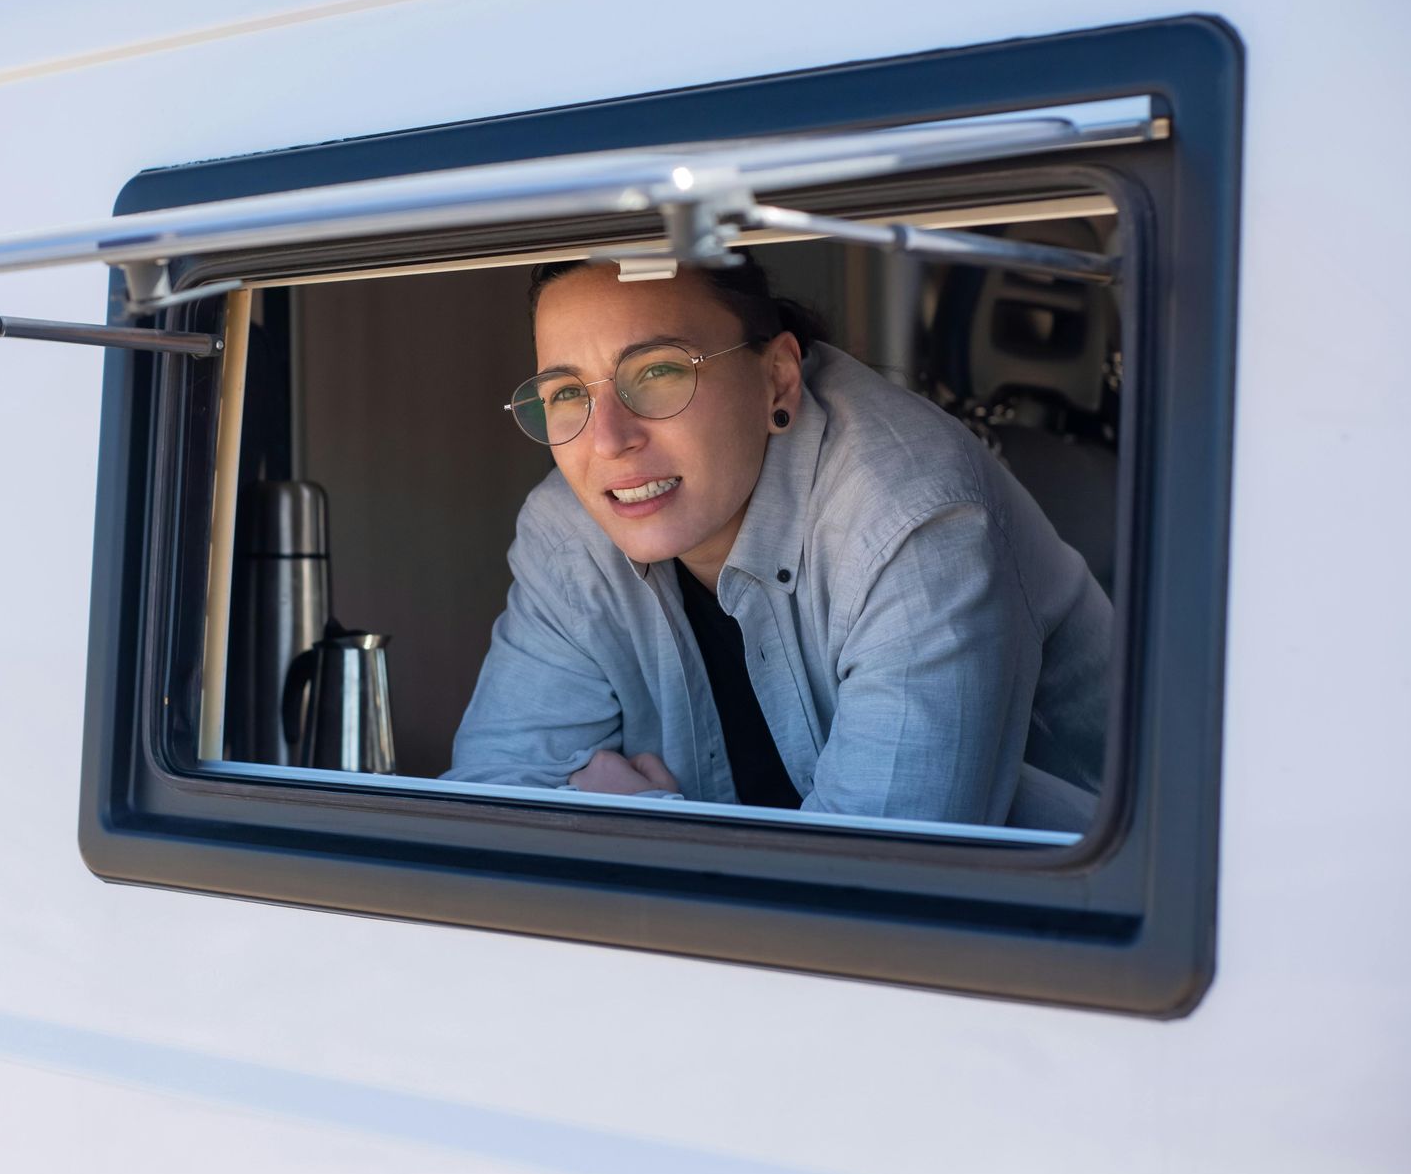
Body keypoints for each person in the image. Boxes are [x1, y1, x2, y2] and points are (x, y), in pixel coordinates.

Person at [444, 257, 1110, 830]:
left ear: (779, 381)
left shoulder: (909, 520)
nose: (609, 440)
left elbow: (884, 892)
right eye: (566, 393)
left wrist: (645, 824)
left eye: (658, 373)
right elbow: (485, 819)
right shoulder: (571, 527)